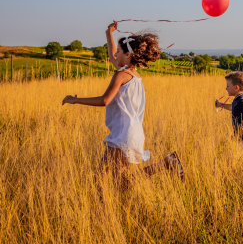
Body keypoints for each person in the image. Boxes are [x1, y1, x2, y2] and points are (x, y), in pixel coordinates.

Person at [62, 21, 184, 189]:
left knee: (101, 182)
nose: (115, 55)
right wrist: (108, 34)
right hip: (132, 133)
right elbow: (112, 56)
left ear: (128, 55)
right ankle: (166, 163)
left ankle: (165, 163)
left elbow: (104, 100)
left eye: (119, 52)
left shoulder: (120, 75)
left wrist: (76, 100)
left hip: (122, 135)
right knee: (122, 183)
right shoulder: (133, 74)